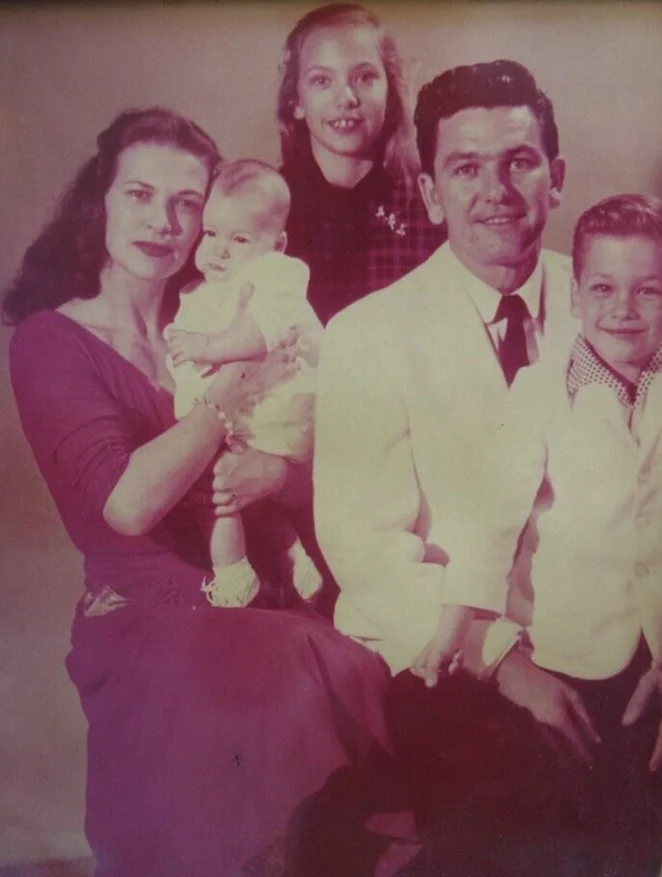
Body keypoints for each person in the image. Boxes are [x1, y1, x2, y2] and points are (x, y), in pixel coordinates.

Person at [4, 107, 418, 877]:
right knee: (290, 674)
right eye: (140, 194)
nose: (162, 221)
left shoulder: (226, 309)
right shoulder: (51, 340)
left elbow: (318, 465)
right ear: (101, 200)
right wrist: (230, 388)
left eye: (186, 202)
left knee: (368, 674)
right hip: (147, 623)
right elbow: (128, 505)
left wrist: (281, 475)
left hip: (261, 596)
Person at [314, 59, 578, 834]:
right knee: (509, 793)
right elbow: (365, 549)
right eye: (465, 168)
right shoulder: (367, 335)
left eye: (519, 162)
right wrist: (506, 660)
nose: (495, 190)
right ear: (431, 193)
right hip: (440, 648)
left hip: (598, 635)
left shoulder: (614, 304)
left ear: (557, 178)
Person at [410, 194, 662, 876]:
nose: (622, 309)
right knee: (548, 824)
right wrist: (455, 626)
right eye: (602, 288)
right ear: (574, 294)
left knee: (633, 825)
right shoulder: (541, 391)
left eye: (648, 290)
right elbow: (487, 519)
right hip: (564, 647)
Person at [164, 157, 324, 609]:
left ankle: (232, 574)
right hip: (243, 408)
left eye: (239, 239)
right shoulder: (200, 292)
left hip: (280, 403)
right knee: (235, 487)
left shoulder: (276, 273)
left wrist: (206, 347)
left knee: (217, 481)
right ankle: (293, 557)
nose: (219, 251)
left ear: (278, 243)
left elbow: (260, 333)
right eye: (211, 233)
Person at [277, 2, 446, 325]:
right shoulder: (266, 208)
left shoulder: (431, 211)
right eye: (321, 81)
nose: (346, 98)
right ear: (295, 101)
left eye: (365, 77)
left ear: (390, 94)